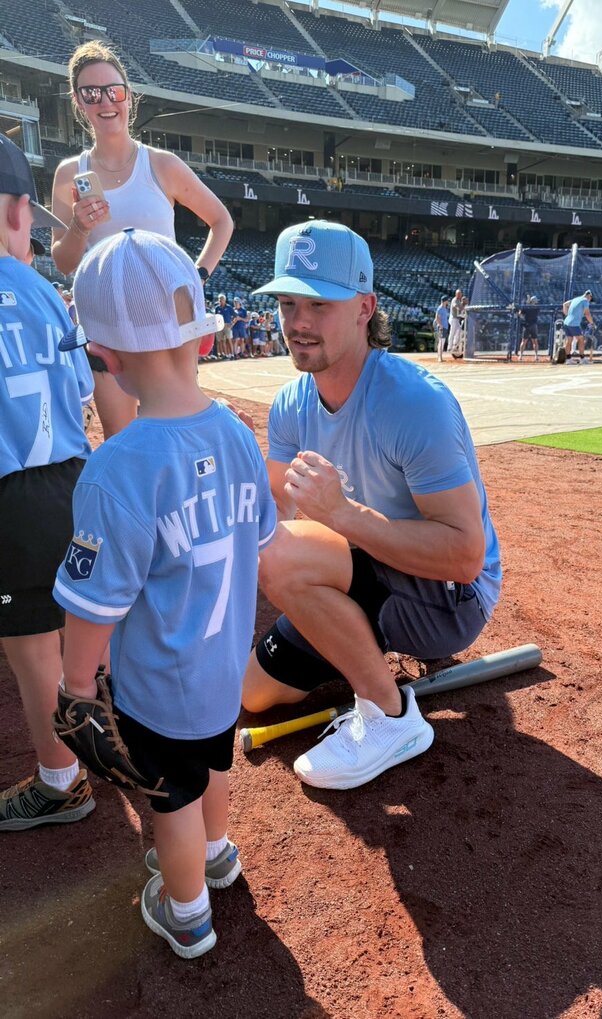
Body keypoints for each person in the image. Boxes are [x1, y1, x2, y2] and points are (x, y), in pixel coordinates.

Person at [53, 227, 276, 957]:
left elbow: (91, 606)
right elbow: (259, 542)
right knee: (213, 764)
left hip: (158, 683)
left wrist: (78, 685)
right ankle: (217, 853)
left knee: (168, 800)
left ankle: (187, 913)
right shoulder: (242, 434)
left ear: (103, 358)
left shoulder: (118, 466)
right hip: (223, 668)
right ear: (205, 339)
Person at [241, 221, 502, 791]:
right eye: (287, 303)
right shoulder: (290, 404)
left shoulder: (414, 404)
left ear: (365, 308)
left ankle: (390, 716)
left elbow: (464, 557)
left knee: (280, 559)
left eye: (319, 303)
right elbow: (276, 511)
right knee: (254, 695)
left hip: (447, 600)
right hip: (367, 564)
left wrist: (343, 516)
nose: (298, 323)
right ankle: (359, 642)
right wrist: (237, 467)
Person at [50, 40, 233, 439]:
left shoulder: (163, 165)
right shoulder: (69, 174)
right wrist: (80, 228)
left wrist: (197, 277)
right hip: (104, 329)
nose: (105, 101)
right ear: (78, 102)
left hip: (167, 329)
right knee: (123, 441)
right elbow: (64, 264)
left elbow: (222, 221)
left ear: (129, 96)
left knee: (175, 433)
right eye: (91, 93)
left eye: (113, 90)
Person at [0, 134, 94, 830]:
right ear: (18, 212)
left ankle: (61, 779)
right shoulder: (44, 291)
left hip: (13, 493)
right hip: (73, 475)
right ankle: (107, 750)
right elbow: (83, 388)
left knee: (31, 644)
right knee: (80, 627)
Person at [562, 289, 594, 361]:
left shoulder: (575, 299)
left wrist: (567, 315)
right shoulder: (585, 301)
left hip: (566, 322)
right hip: (574, 323)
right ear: (589, 296)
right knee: (581, 339)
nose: (590, 301)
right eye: (590, 299)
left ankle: (568, 359)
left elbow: (564, 304)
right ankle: (582, 358)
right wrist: (592, 323)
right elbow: (587, 314)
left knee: (569, 339)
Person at [517, 296, 540, 362]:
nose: (537, 302)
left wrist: (521, 309)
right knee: (535, 341)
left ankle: (521, 356)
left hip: (527, 325)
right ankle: (536, 356)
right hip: (533, 325)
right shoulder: (536, 308)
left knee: (524, 341)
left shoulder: (526, 307)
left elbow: (520, 314)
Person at [448, 288, 467, 357]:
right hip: (453, 318)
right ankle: (449, 347)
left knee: (458, 331)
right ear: (456, 294)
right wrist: (459, 308)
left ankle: (454, 345)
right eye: (458, 294)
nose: (459, 295)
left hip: (457, 319)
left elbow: (462, 308)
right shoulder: (454, 300)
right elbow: (455, 306)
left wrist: (464, 304)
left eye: (460, 294)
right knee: (452, 332)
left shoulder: (459, 301)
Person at [215, 293, 235, 360]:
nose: (221, 301)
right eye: (219, 300)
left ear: (225, 300)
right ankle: (223, 354)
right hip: (219, 325)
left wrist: (232, 323)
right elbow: (216, 317)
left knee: (229, 340)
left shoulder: (229, 307)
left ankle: (232, 354)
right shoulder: (217, 308)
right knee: (220, 341)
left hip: (227, 325)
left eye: (222, 299)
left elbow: (235, 316)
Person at [433, 295, 450, 362]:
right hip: (442, 327)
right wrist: (440, 325)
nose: (448, 302)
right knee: (441, 342)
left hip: (445, 326)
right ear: (444, 301)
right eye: (447, 300)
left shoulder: (444, 308)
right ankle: (440, 358)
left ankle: (440, 357)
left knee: (442, 342)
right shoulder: (440, 308)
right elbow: (437, 317)